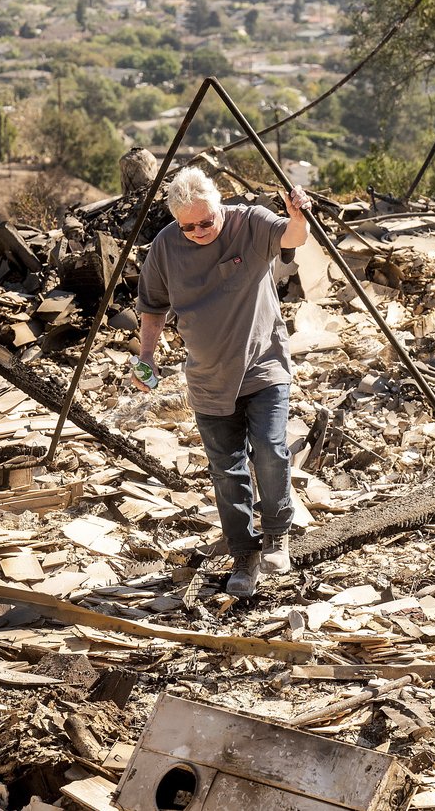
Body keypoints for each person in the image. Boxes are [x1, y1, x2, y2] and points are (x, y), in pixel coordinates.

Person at [132, 167, 312, 597]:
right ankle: (243, 554)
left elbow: (293, 238)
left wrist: (298, 214)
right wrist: (146, 356)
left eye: (206, 221)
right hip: (208, 378)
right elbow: (153, 305)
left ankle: (276, 534)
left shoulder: (250, 222)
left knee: (269, 450)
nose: (197, 231)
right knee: (227, 471)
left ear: (220, 206)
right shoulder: (166, 246)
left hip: (262, 366)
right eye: (187, 225)